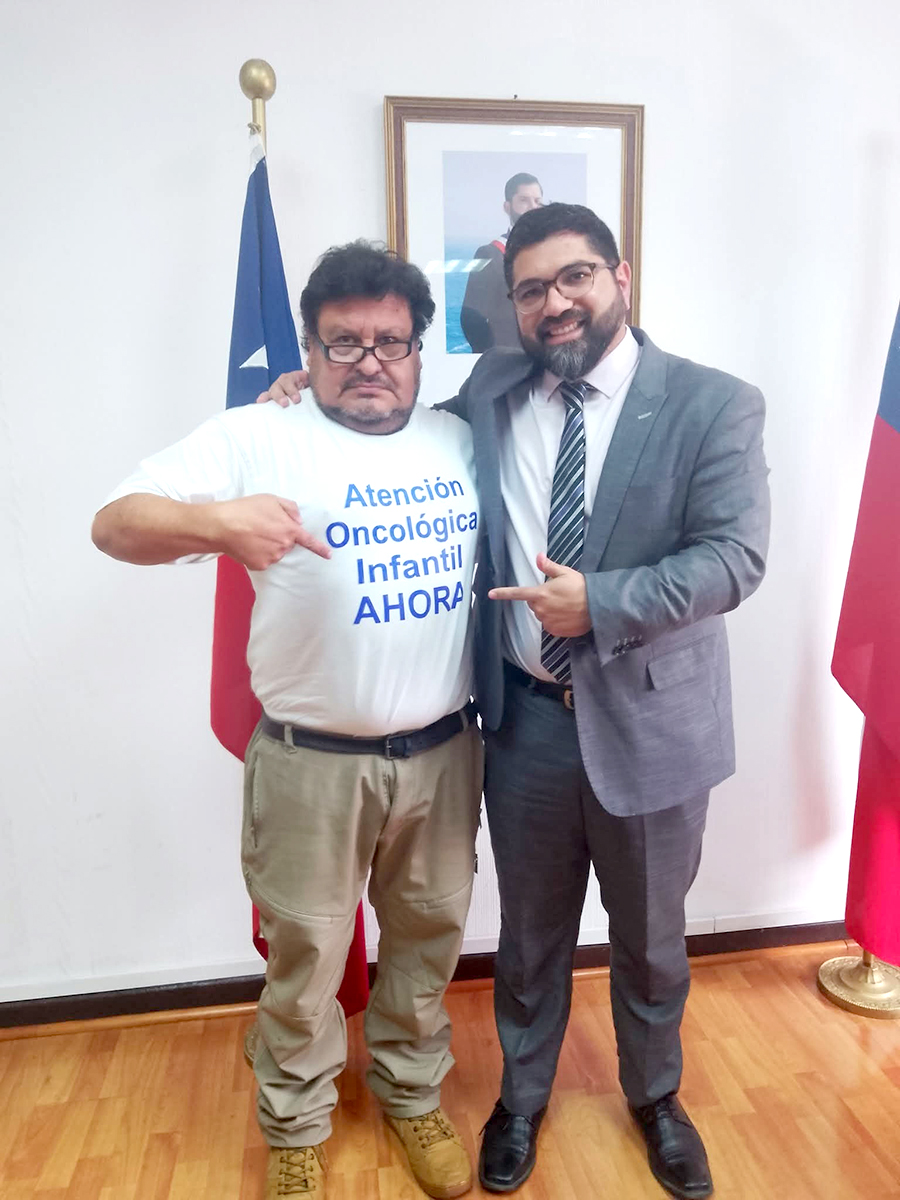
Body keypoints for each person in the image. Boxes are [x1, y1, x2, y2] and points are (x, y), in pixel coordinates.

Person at [262, 203, 770, 1200]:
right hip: (526, 723)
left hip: (654, 724)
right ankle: (522, 1100)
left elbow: (734, 558)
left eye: (575, 276)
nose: (555, 302)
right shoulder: (490, 395)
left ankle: (657, 1099)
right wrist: (301, 393)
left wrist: (602, 603)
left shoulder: (713, 402)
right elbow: (387, 416)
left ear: (620, 276)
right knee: (530, 937)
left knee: (651, 939)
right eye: (531, 289)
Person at [92, 242, 485, 1200]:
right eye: (343, 342)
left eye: (391, 341)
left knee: (428, 939)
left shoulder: (460, 437)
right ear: (308, 351)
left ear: (419, 350)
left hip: (443, 755)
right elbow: (114, 521)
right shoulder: (258, 434)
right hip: (312, 763)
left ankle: (410, 1092)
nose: (369, 361)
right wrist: (217, 524)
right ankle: (296, 1124)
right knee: (306, 955)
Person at [459, 172, 543, 353]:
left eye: (537, 201)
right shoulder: (491, 254)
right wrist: (494, 359)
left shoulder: (551, 255)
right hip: (509, 360)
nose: (532, 207)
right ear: (507, 207)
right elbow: (471, 318)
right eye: (524, 200)